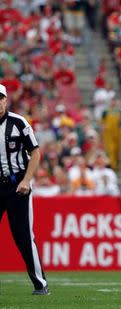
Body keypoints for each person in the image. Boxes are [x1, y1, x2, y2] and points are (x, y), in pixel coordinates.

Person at [0, 84, 49, 295]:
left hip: (17, 184)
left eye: (0, 98)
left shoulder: (18, 122)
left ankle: (40, 283)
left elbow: (35, 152)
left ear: (5, 100)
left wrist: (26, 180)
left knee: (23, 236)